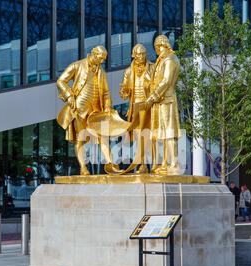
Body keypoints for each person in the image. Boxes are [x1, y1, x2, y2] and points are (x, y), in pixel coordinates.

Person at [56, 45, 121, 176]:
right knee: (80, 139)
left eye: (103, 59)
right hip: (80, 108)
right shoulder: (77, 65)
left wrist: (108, 105)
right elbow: (61, 81)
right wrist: (69, 96)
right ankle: (83, 167)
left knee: (103, 137)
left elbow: (106, 92)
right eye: (100, 58)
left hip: (97, 110)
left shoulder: (101, 72)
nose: (102, 61)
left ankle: (110, 164)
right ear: (93, 54)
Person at [145, 35, 181, 175]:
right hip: (161, 100)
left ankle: (175, 164)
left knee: (170, 132)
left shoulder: (170, 59)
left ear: (162, 45)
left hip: (166, 100)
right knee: (165, 133)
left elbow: (166, 81)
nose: (156, 51)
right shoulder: (163, 60)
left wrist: (152, 97)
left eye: (157, 47)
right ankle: (167, 163)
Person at [119, 44, 155, 174]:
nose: (141, 56)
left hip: (148, 105)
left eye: (143, 53)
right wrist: (124, 91)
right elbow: (123, 91)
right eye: (138, 54)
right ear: (133, 55)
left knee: (149, 135)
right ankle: (143, 164)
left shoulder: (152, 67)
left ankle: (151, 164)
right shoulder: (128, 71)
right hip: (135, 107)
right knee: (139, 135)